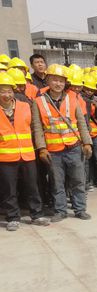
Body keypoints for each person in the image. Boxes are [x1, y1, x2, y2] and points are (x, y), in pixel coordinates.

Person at [31, 64, 93, 221]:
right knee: (57, 182)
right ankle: (60, 210)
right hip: (53, 150)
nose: (58, 84)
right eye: (54, 80)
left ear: (65, 83)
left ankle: (80, 209)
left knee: (78, 180)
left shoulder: (73, 99)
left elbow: (81, 123)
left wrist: (87, 143)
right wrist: (42, 148)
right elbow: (37, 128)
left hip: (73, 147)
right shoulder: (38, 102)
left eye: (61, 81)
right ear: (48, 81)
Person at [0, 72, 49, 231]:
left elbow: (35, 127)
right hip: (6, 157)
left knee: (32, 186)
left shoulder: (25, 106)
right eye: (2, 91)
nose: (6, 95)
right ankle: (13, 217)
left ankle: (37, 214)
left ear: (14, 91)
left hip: (27, 154)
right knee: (9, 189)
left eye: (8, 91)